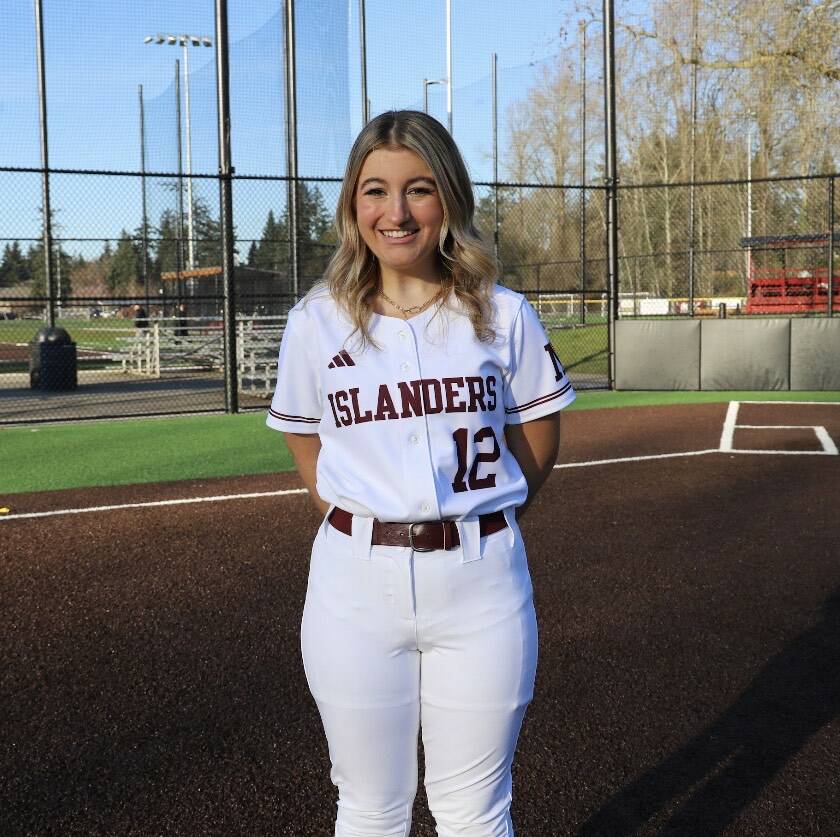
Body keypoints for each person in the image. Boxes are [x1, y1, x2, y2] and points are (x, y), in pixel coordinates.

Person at [266, 110, 576, 836]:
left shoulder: (503, 314)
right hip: (353, 584)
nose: (395, 212)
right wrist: (357, 516)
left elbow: (540, 429)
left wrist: (487, 516)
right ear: (352, 204)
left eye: (419, 189)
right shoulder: (316, 321)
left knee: (474, 809)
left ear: (450, 201)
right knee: (370, 805)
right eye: (375, 191)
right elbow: (304, 438)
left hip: (481, 578)